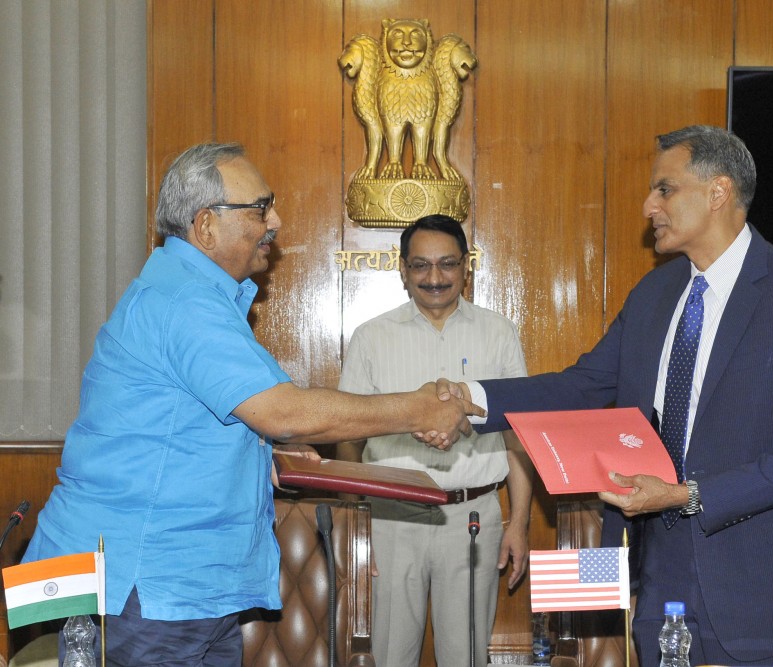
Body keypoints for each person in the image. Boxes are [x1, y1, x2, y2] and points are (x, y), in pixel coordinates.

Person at [22, 143, 482, 666]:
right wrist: (418, 409)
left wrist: (263, 456)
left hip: (182, 585)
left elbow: (184, 425)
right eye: (260, 208)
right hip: (147, 583)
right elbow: (284, 412)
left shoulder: (195, 294)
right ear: (206, 225)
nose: (275, 222)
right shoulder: (184, 302)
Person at [430, 126, 773, 666]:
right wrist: (471, 398)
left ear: (718, 192)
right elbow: (582, 386)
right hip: (659, 575)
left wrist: (685, 495)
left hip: (761, 590)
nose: (648, 206)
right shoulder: (655, 293)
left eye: (665, 189)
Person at [336, 215, 533, 667]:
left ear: (466, 266)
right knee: (390, 655)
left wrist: (519, 523)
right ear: (403, 270)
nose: (435, 277)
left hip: (473, 517)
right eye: (421, 265)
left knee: (466, 657)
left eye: (447, 263)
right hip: (391, 519)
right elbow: (347, 437)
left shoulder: (498, 332)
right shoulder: (371, 337)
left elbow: (517, 435)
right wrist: (357, 522)